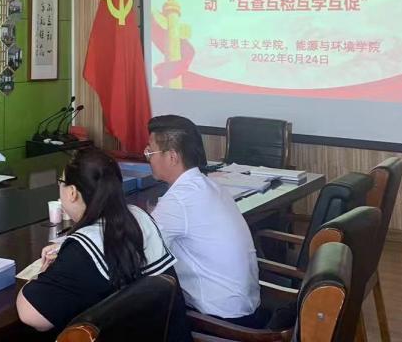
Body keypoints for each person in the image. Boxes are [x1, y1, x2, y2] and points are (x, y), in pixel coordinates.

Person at [17, 148, 189, 339]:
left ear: (72, 192)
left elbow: (32, 316)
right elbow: (111, 239)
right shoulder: (139, 217)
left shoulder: (81, 252)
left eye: (61, 182)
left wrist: (42, 273)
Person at [146, 115, 264, 326]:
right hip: (247, 308)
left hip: (221, 322)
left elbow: (142, 254)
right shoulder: (211, 186)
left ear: (172, 157)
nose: (148, 158)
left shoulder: (179, 201)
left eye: (150, 152)